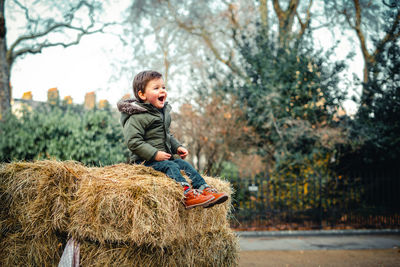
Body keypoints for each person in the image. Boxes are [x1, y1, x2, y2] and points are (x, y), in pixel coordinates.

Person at [117, 70, 228, 209]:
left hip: (163, 160)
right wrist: (154, 154)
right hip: (144, 162)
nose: (162, 90)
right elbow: (133, 142)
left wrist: (177, 147)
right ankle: (186, 194)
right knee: (171, 166)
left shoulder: (161, 113)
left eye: (163, 87)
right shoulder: (136, 117)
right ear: (142, 94)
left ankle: (204, 189)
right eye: (156, 88)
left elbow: (166, 135)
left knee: (184, 165)